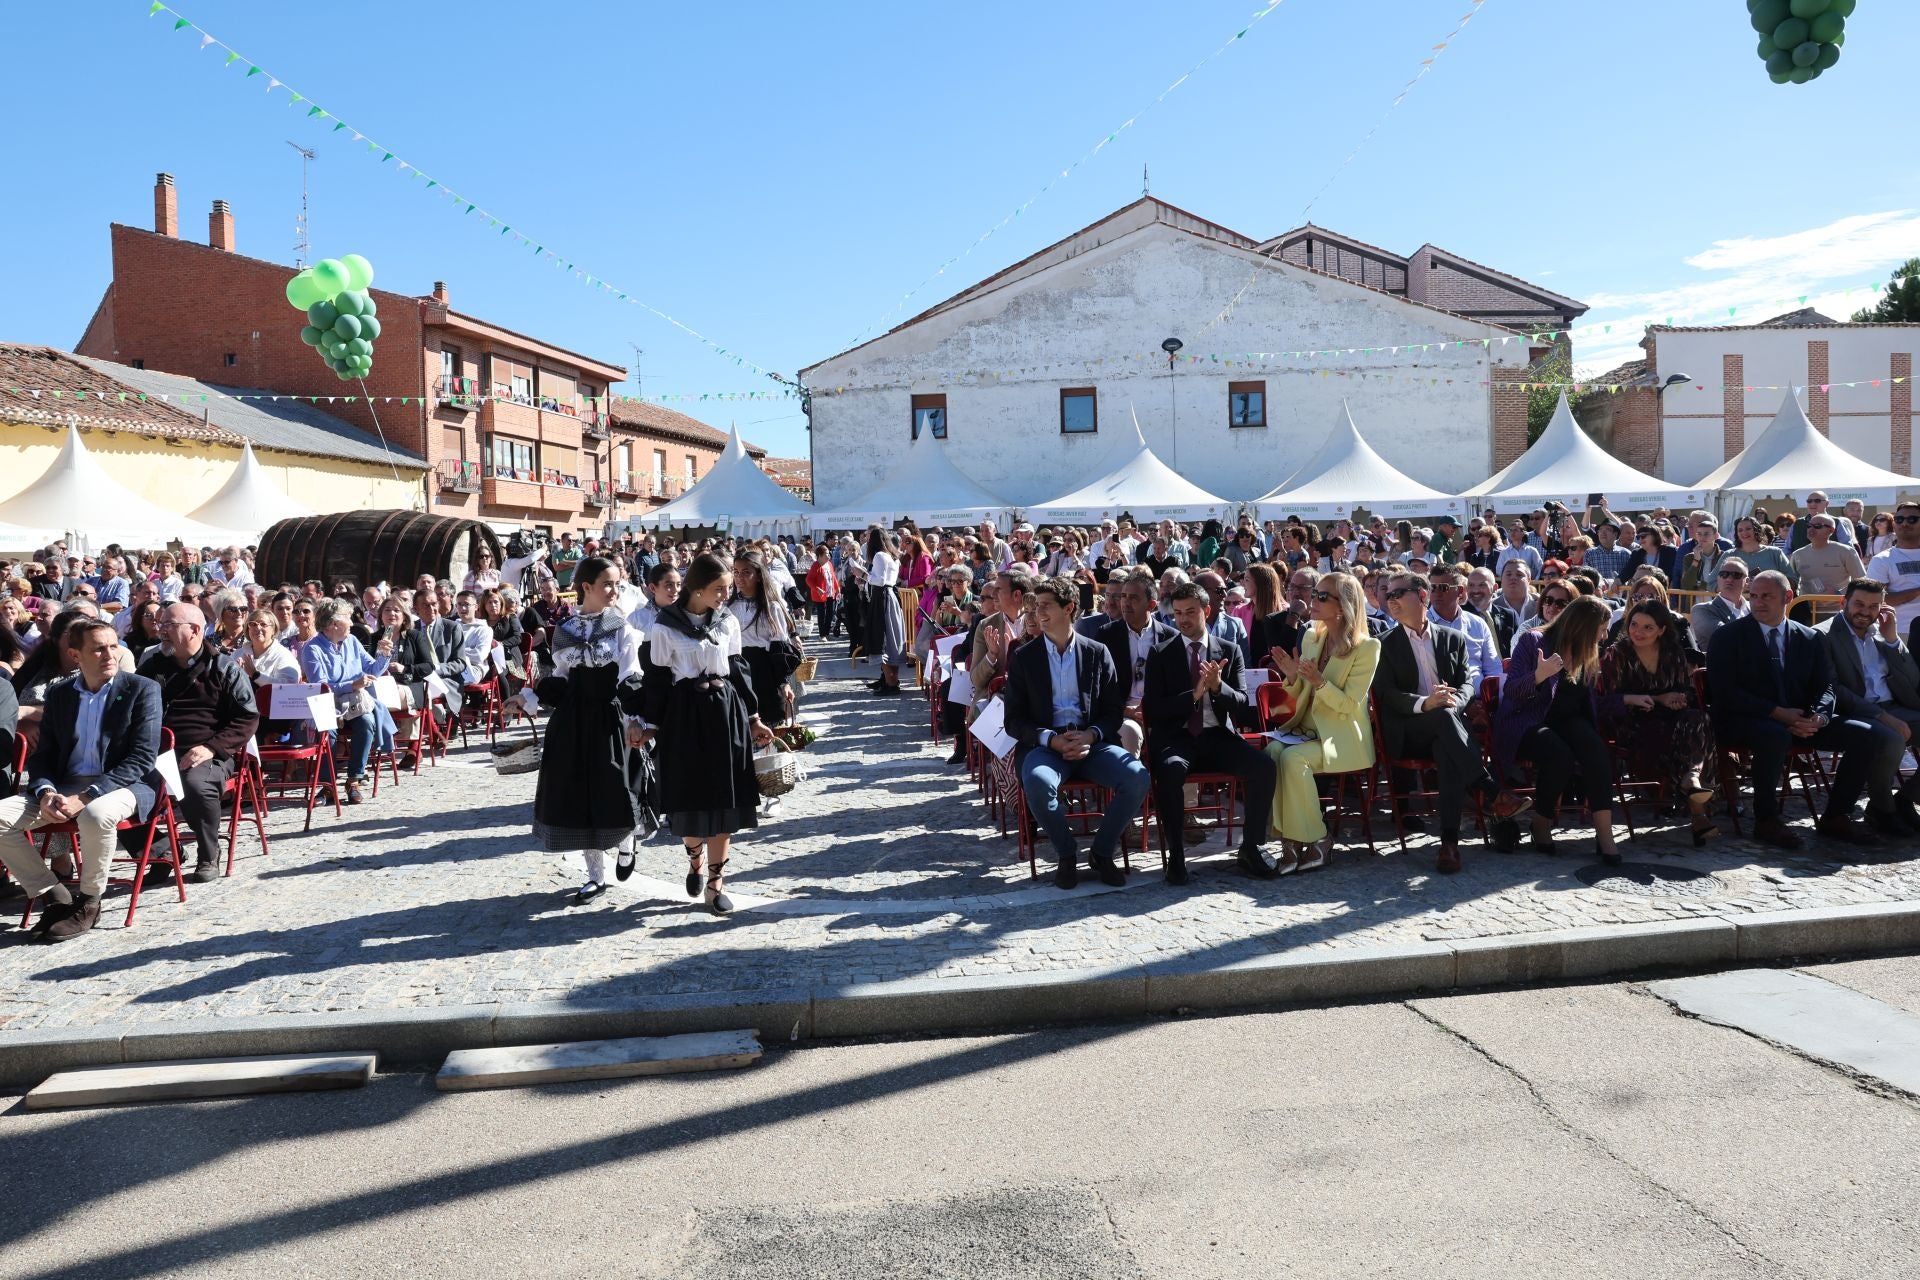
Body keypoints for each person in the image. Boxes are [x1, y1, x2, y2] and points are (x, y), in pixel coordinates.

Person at [0, 619, 162, 942]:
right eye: (98, 648)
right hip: (65, 786)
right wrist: (45, 791)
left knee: (95, 814)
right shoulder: (61, 694)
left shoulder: (142, 689)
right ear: (76, 655)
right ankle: (54, 894)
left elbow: (141, 759)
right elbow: (44, 755)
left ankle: (89, 901)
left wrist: (86, 796)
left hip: (125, 784)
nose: (109, 654)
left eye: (113, 646)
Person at [1706, 570, 1887, 849]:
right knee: (1774, 735)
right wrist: (1777, 713)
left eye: (1767, 596)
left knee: (1868, 734)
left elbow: (1826, 686)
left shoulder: (1810, 637)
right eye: (1753, 596)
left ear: (1788, 597)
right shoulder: (1728, 636)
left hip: (1800, 720)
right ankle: (1766, 819)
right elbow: (1724, 692)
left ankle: (1837, 816)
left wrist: (1820, 716)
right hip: (1746, 720)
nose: (1758, 602)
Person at [639, 553, 776, 914]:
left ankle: (715, 884)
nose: (724, 596)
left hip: (724, 714)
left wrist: (754, 716)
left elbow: (737, 669)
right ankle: (695, 859)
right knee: (690, 798)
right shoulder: (663, 626)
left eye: (728, 589)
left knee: (725, 798)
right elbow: (657, 681)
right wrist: (651, 723)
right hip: (684, 717)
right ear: (697, 588)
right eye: (719, 589)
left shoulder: (726, 621)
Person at [521, 555, 662, 903]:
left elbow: (631, 676)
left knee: (615, 789)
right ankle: (596, 876)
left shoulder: (623, 628)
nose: (614, 590)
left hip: (609, 718)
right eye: (607, 584)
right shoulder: (565, 632)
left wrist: (639, 720)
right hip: (572, 722)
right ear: (586, 587)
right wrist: (527, 697)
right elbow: (560, 678)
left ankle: (627, 843)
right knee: (579, 796)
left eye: (617, 583)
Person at [1375, 572, 1530, 873]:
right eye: (1388, 595)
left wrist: (1453, 702)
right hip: (1408, 729)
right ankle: (1491, 791)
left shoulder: (1453, 638)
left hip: (1447, 728)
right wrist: (1426, 703)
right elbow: (1387, 695)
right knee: (1444, 722)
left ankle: (1449, 845)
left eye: (1398, 593)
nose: (1390, 600)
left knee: (1447, 746)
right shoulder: (1382, 644)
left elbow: (1468, 684)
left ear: (1422, 596)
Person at [1002, 576, 1149, 890]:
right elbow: (1013, 720)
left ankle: (1101, 852)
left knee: (1137, 777)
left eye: (1045, 606)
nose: (1036, 613)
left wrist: (1091, 736)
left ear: (1069, 608)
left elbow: (1113, 710)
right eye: (1035, 605)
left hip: (1092, 742)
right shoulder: (1024, 657)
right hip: (1046, 744)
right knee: (1038, 783)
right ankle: (1067, 854)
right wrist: (1050, 739)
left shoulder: (1097, 652)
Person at [1140, 580, 1275, 885]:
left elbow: (1243, 705)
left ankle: (1252, 846)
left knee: (1264, 766)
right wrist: (1193, 694)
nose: (1183, 619)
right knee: (1171, 771)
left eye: (1190, 612)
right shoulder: (1161, 653)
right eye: (1177, 613)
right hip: (1177, 738)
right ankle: (1176, 854)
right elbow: (1155, 708)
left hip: (1216, 737)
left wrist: (1217, 687)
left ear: (1206, 611)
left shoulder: (1228, 650)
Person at [1258, 573, 1379, 873]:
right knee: (1272, 754)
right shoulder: (1312, 636)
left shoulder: (1367, 648)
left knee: (1292, 759)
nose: (1314, 600)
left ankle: (1317, 838)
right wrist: (1291, 675)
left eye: (1323, 596)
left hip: (1341, 738)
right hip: (1306, 731)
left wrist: (1318, 681)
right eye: (1316, 594)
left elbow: (1349, 705)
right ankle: (1292, 841)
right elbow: (1299, 692)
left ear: (1344, 605)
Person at [137, 603, 259, 884]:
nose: (161, 631)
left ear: (194, 629)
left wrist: (212, 748)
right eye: (161, 624)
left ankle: (208, 852)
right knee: (114, 788)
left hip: (208, 751)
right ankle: (163, 852)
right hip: (157, 752)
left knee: (195, 785)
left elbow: (247, 717)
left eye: (169, 625)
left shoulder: (224, 668)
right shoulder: (153, 667)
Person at [1494, 597, 1623, 862]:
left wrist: (1626, 701)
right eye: (1602, 629)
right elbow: (1512, 691)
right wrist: (1539, 676)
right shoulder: (1533, 641)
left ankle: (1605, 835)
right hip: (1527, 720)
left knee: (1595, 749)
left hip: (1568, 720)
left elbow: (1589, 702)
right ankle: (1541, 822)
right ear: (1584, 626)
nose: (1605, 635)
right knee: (1558, 754)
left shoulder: (1586, 650)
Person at [1596, 600, 1717, 845]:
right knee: (1676, 733)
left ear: (1662, 630)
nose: (1638, 632)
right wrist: (1656, 698)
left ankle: (1691, 781)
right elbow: (1606, 700)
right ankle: (1697, 809)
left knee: (1699, 718)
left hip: (1672, 717)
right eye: (1634, 625)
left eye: (1648, 627)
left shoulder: (1673, 653)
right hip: (1632, 721)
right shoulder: (1617, 653)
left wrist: (1678, 699)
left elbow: (1689, 692)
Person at [1817, 578, 1920, 836]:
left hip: (1894, 705)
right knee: (1891, 737)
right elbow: (1834, 688)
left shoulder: (1881, 632)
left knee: (1894, 731)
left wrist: (1893, 640)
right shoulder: (1824, 635)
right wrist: (1882, 716)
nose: (1865, 612)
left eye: (1874, 606)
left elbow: (1912, 679)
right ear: (1844, 603)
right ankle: (1882, 810)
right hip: (1857, 711)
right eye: (1859, 604)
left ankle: (1905, 800)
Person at [300, 598, 395, 806]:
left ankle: (354, 780)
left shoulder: (351, 641)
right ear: (334, 624)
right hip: (326, 703)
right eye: (348, 619)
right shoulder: (312, 649)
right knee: (328, 732)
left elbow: (372, 670)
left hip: (354, 703)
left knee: (367, 722)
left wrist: (384, 655)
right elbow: (321, 686)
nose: (352, 623)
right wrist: (352, 684)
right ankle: (327, 785)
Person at [731, 550, 798, 733]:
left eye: (746, 572)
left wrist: (783, 682)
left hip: (764, 669)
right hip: (737, 668)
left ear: (759, 575)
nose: (739, 577)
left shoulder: (772, 607)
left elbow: (779, 647)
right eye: (736, 572)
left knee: (768, 721)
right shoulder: (729, 607)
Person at [1426, 565, 1503, 691]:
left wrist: (1488, 701)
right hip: (1442, 702)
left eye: (1443, 588)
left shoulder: (1478, 623)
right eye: (1432, 588)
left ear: (1460, 591)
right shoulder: (1421, 624)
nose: (1436, 593)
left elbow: (1493, 670)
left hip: (1481, 700)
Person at [863, 527, 909, 697]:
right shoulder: (891, 556)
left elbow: (880, 581)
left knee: (883, 637)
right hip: (889, 597)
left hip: (883, 598)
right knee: (889, 637)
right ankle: (889, 679)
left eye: (869, 538)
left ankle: (891, 682)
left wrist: (863, 574)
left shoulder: (879, 555)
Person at [1790, 512, 1866, 599]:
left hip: (1839, 607)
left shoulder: (1846, 552)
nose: (1811, 529)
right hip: (1807, 609)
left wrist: (1838, 593)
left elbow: (1861, 581)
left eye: (1817, 526)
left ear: (1831, 530)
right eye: (1809, 526)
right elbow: (1791, 583)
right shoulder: (1798, 554)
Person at [1689, 556, 1751, 651]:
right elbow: (1725, 637)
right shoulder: (1701, 610)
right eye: (1724, 574)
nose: (1729, 579)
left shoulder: (1753, 608)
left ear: (1747, 581)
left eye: (1736, 575)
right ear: (1718, 578)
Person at [1782, 491, 1857, 553]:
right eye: (1809, 501)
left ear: (1827, 504)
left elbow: (1848, 549)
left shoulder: (1837, 522)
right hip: (1802, 569)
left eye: (1817, 501)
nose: (1812, 504)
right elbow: (1787, 550)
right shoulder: (1797, 524)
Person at [806, 544, 840, 638]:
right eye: (826, 554)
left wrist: (837, 589)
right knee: (822, 616)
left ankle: (827, 633)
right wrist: (817, 588)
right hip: (820, 596)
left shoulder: (829, 564)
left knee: (830, 614)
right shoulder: (816, 565)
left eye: (829, 554)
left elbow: (833, 578)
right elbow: (809, 580)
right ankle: (822, 635)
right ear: (820, 556)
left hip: (830, 593)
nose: (828, 556)